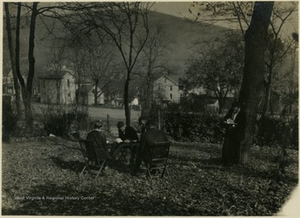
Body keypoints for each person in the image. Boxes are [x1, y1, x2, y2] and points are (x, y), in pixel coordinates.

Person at [222, 101, 246, 166]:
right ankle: (227, 161)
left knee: (236, 148)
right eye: (233, 107)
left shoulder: (242, 113)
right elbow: (226, 117)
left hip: (237, 133)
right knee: (227, 147)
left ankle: (235, 162)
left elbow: (244, 124)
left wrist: (236, 124)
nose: (234, 109)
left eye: (235, 108)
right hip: (230, 132)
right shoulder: (231, 111)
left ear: (238, 107)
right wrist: (227, 121)